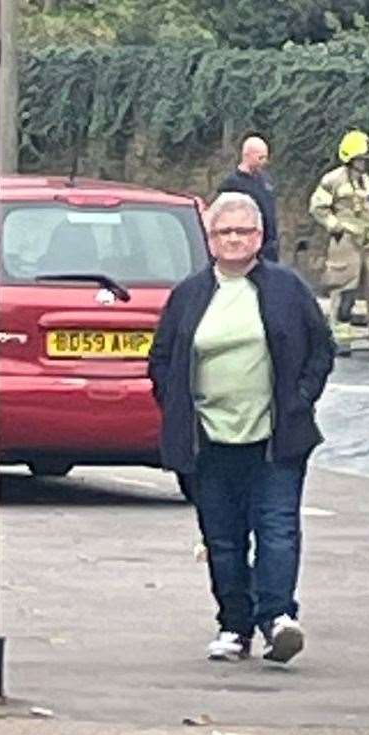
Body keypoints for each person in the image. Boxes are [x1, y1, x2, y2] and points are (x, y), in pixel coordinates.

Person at [148, 192, 335, 664]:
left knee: (276, 529)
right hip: (209, 439)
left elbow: (320, 348)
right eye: (223, 232)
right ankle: (234, 626)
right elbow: (163, 360)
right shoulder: (189, 295)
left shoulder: (286, 289)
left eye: (244, 231)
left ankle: (277, 619)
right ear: (210, 240)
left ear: (260, 237)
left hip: (275, 436)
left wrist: (300, 399)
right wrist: (176, 408)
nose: (234, 240)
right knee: (223, 539)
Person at [309, 129, 369, 357]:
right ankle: (340, 339)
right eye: (361, 159)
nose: (365, 163)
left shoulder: (365, 180)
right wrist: (336, 226)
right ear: (349, 157)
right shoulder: (332, 180)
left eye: (366, 160)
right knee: (345, 291)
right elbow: (317, 208)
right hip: (346, 242)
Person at [217, 134, 280, 263]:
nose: (264, 162)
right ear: (247, 155)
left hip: (268, 250)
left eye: (266, 157)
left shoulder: (265, 181)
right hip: (247, 251)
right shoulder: (232, 185)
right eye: (260, 158)